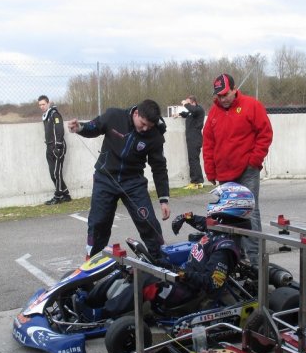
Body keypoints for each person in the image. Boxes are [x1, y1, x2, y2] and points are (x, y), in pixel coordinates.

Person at [73, 183, 254, 320]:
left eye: (218, 200)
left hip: (189, 292)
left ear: (232, 206)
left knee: (143, 278)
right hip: (183, 276)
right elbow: (202, 222)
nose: (213, 204)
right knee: (130, 268)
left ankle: (100, 313)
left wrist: (180, 273)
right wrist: (185, 217)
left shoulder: (225, 249)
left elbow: (210, 284)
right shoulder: (221, 228)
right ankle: (89, 299)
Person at [67, 99, 171, 260]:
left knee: (148, 222)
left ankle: (160, 260)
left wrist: (164, 199)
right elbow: (94, 127)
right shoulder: (114, 116)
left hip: (133, 182)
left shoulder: (155, 134)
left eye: (149, 126)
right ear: (136, 113)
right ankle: (91, 261)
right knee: (98, 223)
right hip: (105, 179)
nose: (145, 129)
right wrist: (80, 127)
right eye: (142, 124)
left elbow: (159, 167)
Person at [202, 73, 273, 266]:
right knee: (229, 215)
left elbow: (265, 133)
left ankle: (258, 262)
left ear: (234, 90)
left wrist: (255, 160)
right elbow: (208, 143)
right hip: (225, 174)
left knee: (249, 212)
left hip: (247, 170)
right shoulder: (214, 114)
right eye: (219, 96)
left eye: (225, 94)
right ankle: (235, 258)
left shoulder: (251, 106)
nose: (222, 99)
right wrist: (210, 170)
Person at [38, 95, 71, 205]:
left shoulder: (54, 114)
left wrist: (58, 146)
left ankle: (58, 197)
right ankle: (66, 194)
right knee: (53, 173)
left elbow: (59, 130)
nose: (41, 106)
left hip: (57, 147)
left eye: (43, 104)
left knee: (56, 173)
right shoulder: (46, 116)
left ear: (48, 103)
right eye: (40, 105)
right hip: (49, 147)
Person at [176, 95, 205, 189]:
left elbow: (193, 111)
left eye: (188, 103)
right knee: (193, 160)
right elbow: (187, 113)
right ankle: (199, 181)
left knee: (193, 160)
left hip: (195, 138)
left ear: (193, 102)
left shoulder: (199, 110)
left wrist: (186, 104)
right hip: (191, 138)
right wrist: (179, 114)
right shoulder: (192, 112)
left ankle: (195, 182)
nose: (186, 105)